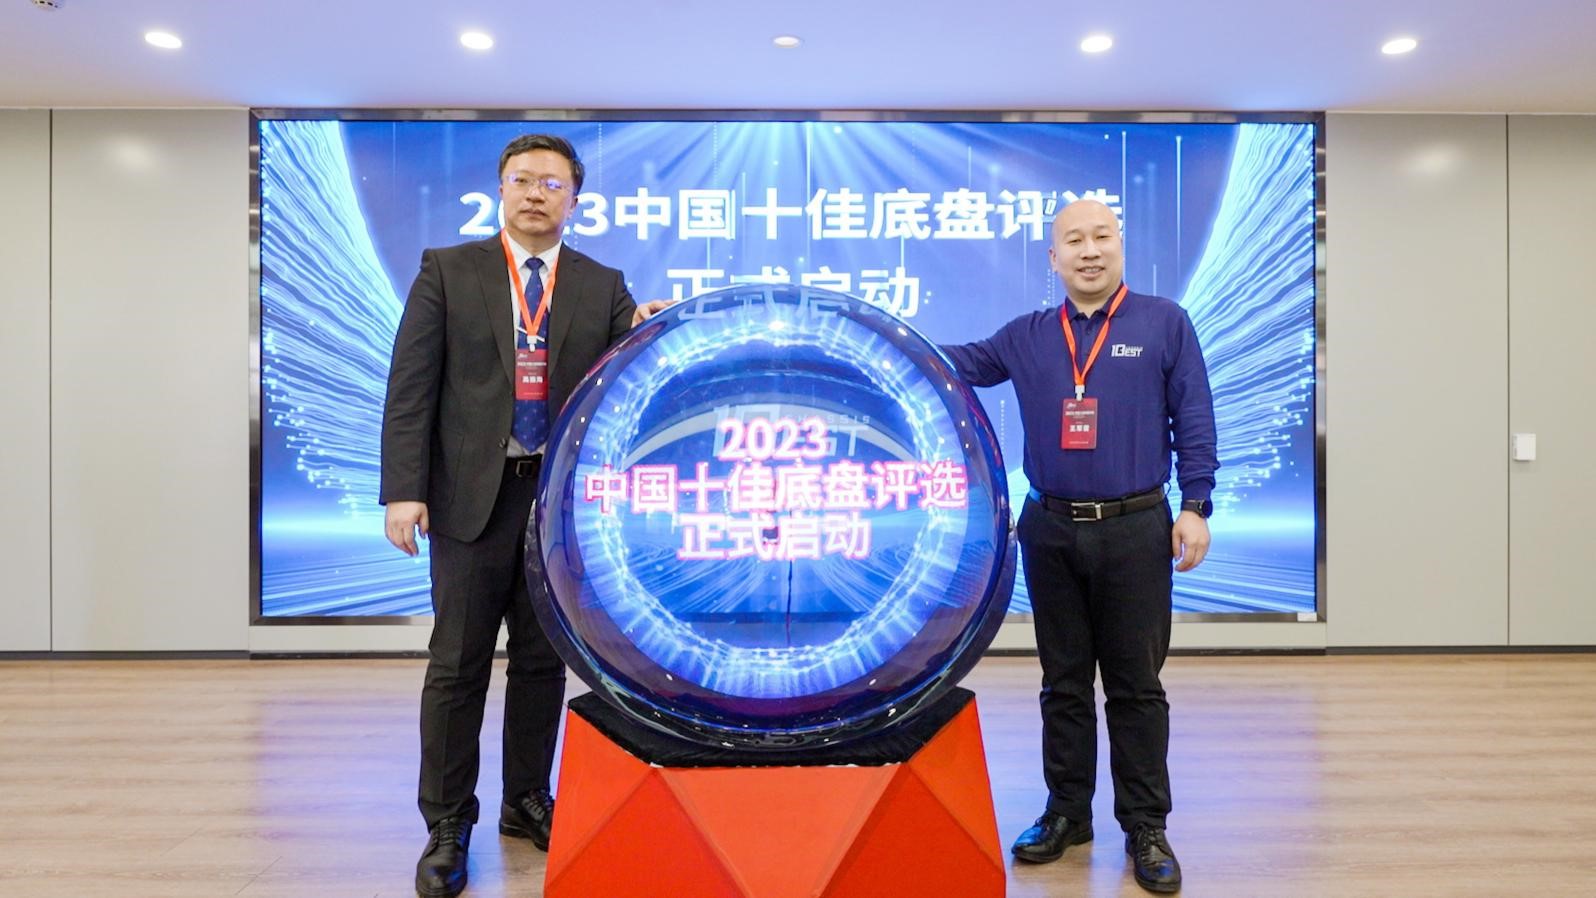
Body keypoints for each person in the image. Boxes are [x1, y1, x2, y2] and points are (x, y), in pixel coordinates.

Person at [380, 133, 668, 898]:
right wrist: (404, 489)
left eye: (552, 183)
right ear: (501, 190)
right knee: (458, 665)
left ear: (574, 199)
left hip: (554, 504)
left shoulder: (601, 283)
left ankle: (526, 800)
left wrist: (643, 325)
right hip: (470, 499)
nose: (536, 193)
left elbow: (619, 375)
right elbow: (410, 386)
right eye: (522, 180)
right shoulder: (448, 271)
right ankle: (448, 824)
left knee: (542, 663)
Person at [941, 199, 1216, 894]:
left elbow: (1194, 416)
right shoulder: (1027, 336)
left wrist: (1196, 507)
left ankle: (1145, 826)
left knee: (1135, 687)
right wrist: (872, 333)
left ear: (1120, 245)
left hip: (1135, 528)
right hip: (1051, 528)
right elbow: (953, 363)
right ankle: (1067, 813)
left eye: (1101, 237)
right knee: (1062, 683)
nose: (1089, 250)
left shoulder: (1164, 323)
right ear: (1054, 258)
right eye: (1074, 240)